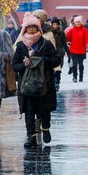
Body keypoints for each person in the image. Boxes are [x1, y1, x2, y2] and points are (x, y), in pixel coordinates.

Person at [12, 13, 60, 147]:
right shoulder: (21, 46)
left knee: (44, 109)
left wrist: (44, 61)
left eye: (34, 27)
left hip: (44, 82)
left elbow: (57, 60)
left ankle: (45, 128)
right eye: (29, 27)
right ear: (25, 29)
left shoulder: (46, 44)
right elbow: (14, 65)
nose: (31, 29)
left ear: (39, 28)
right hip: (27, 84)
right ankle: (31, 136)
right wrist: (24, 65)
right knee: (29, 110)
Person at [66, 16, 88, 82]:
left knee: (80, 64)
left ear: (81, 22)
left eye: (79, 22)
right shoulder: (72, 30)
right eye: (76, 22)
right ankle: (74, 77)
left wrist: (87, 43)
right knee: (74, 64)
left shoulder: (84, 30)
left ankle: (81, 77)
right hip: (73, 50)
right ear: (74, 23)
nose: (77, 23)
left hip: (82, 50)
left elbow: (87, 38)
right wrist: (67, 42)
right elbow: (67, 37)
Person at [50, 17, 70, 91]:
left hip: (59, 53)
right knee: (52, 70)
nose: (55, 26)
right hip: (51, 54)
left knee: (58, 70)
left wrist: (68, 52)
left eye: (56, 24)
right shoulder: (49, 32)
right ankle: (54, 83)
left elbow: (64, 43)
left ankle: (57, 82)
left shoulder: (61, 33)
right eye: (54, 24)